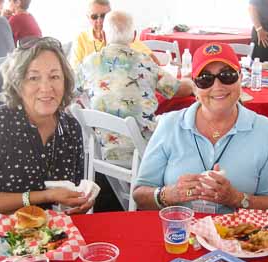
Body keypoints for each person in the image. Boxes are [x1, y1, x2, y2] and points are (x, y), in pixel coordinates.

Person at [133, 42, 268, 215]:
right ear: (195, 87)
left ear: (240, 78)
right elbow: (140, 196)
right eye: (205, 79)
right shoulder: (170, 124)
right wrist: (169, 194)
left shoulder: (264, 129)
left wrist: (236, 198)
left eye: (227, 75)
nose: (217, 86)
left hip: (239, 237)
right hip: (179, 235)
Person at [0, 37, 93, 237]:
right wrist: (46, 195)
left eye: (54, 77)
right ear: (18, 83)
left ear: (65, 81)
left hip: (50, 238)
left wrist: (79, 201)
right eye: (33, 78)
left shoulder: (71, 129)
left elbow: (71, 191)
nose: (46, 88)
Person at [76, 10, 193, 168]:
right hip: (143, 150)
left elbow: (71, 91)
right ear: (134, 36)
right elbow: (178, 90)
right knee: (183, 124)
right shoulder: (144, 61)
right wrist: (191, 81)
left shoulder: (88, 63)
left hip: (104, 149)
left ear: (103, 35)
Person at [70, 0, 158, 70]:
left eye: (104, 16)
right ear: (88, 18)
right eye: (94, 17)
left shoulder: (123, 34)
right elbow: (74, 70)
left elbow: (153, 60)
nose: (100, 20)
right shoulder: (81, 38)